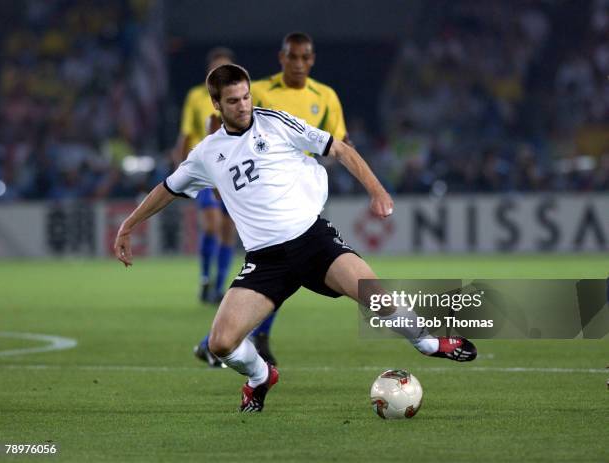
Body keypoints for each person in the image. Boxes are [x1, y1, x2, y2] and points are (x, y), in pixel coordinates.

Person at [114, 64, 477, 413]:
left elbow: (339, 148)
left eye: (245, 97)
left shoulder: (274, 123)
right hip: (265, 260)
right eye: (233, 101)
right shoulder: (207, 154)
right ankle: (260, 377)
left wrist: (377, 191)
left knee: (374, 297)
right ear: (216, 105)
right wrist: (129, 225)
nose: (243, 106)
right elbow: (168, 189)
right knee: (221, 343)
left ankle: (429, 343)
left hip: (312, 241)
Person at [195, 32, 350, 367]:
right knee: (277, 265)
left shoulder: (326, 96)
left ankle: (226, 338)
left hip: (302, 193)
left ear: (312, 59)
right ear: (282, 58)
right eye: (292, 57)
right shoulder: (260, 91)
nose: (299, 63)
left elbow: (340, 142)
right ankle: (235, 333)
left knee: (284, 268)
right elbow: (217, 124)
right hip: (261, 193)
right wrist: (220, 170)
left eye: (305, 57)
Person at [172, 47, 237, 305]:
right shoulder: (196, 96)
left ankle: (219, 287)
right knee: (211, 225)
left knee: (227, 229)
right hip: (205, 168)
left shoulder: (240, 98)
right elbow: (187, 133)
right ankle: (204, 278)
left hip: (232, 168)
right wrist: (181, 172)